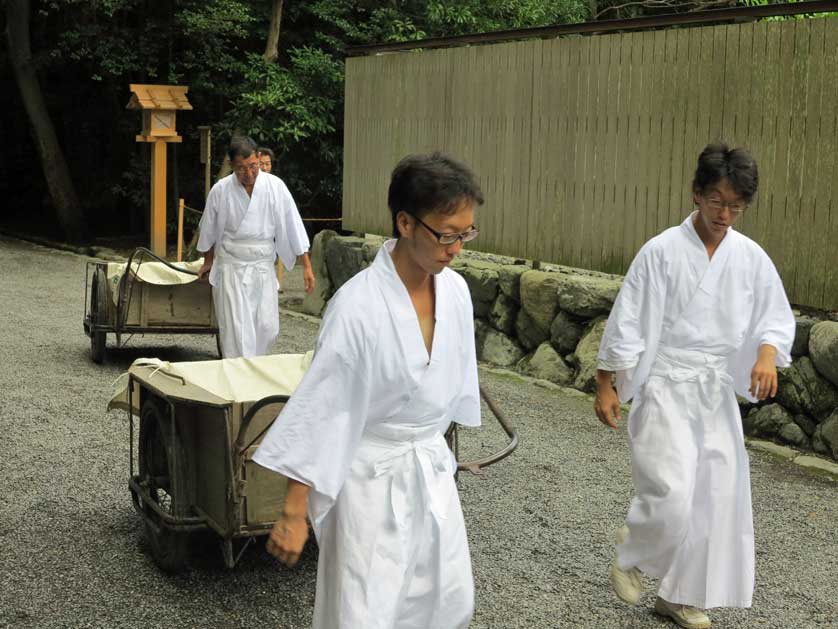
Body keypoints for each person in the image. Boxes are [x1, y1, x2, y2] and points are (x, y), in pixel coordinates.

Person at [252, 152, 484, 628]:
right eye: (446, 234)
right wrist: (295, 511)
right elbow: (324, 408)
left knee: (446, 600)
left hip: (429, 471)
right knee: (365, 610)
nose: (455, 248)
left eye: (465, 234)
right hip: (368, 483)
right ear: (405, 222)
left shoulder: (456, 292)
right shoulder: (356, 307)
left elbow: (441, 384)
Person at [594, 143, 795, 629]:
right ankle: (634, 555)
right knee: (671, 488)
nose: (725, 214)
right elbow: (629, 320)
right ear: (696, 194)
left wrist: (766, 355)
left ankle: (681, 595)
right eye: (717, 202)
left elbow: (773, 316)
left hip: (713, 389)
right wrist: (607, 383)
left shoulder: (750, 257)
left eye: (735, 206)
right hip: (665, 381)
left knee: (715, 497)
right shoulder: (661, 251)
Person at [197, 136, 315, 358]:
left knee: (268, 328)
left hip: (262, 266)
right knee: (237, 333)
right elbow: (209, 230)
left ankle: (254, 375)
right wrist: (208, 261)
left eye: (253, 166)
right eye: (241, 169)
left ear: (259, 160)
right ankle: (238, 387)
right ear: (232, 166)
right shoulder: (220, 190)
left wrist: (306, 267)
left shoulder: (275, 186)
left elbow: (293, 225)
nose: (249, 174)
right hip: (231, 268)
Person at [256, 146, 285, 293]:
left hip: (267, 243)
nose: (265, 167)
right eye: (262, 164)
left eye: (268, 164)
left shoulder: (276, 185)